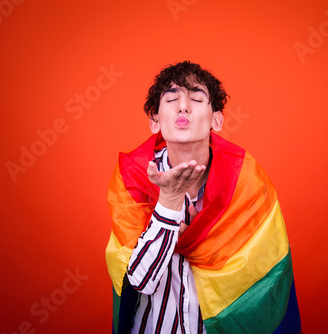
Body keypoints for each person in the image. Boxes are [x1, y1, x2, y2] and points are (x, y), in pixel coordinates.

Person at [105, 61, 301, 334]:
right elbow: (139, 281)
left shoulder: (245, 181)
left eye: (196, 98)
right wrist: (169, 204)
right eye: (171, 99)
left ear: (216, 120)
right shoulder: (132, 178)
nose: (183, 106)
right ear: (155, 121)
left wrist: (208, 239)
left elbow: (260, 280)